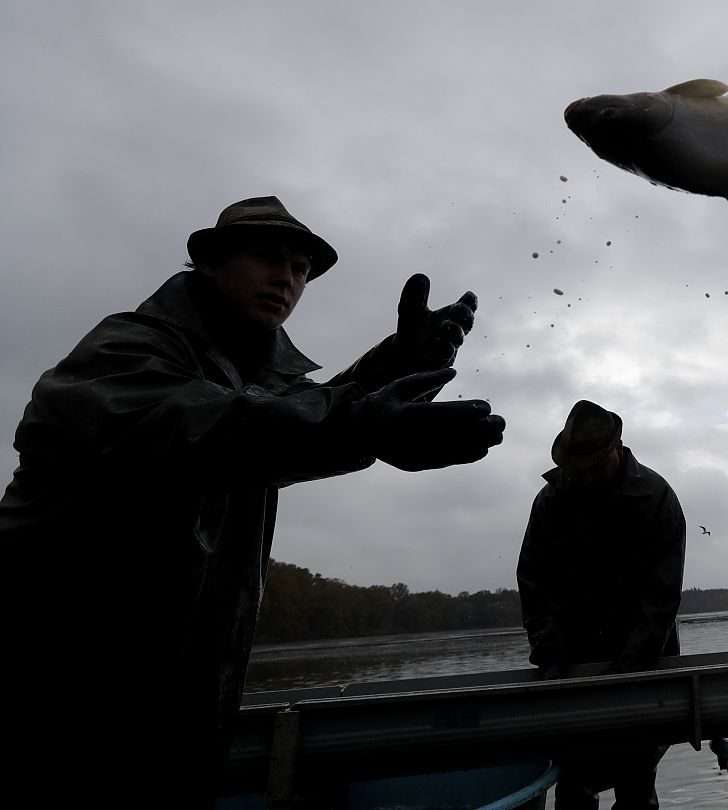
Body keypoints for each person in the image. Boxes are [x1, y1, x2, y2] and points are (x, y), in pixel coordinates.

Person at [0, 196, 506, 806]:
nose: (286, 279)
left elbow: (284, 415)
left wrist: (399, 362)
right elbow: (214, 427)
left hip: (171, 692)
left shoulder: (253, 381)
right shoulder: (123, 351)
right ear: (208, 262)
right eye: (268, 259)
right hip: (52, 677)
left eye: (300, 270)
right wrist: (363, 423)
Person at [517, 400, 686, 810]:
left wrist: (627, 670)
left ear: (619, 447)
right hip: (571, 665)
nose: (586, 475)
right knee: (574, 784)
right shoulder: (551, 501)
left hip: (643, 663)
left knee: (636, 783)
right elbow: (534, 583)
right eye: (579, 466)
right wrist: (550, 653)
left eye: (595, 464)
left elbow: (660, 598)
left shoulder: (657, 498)